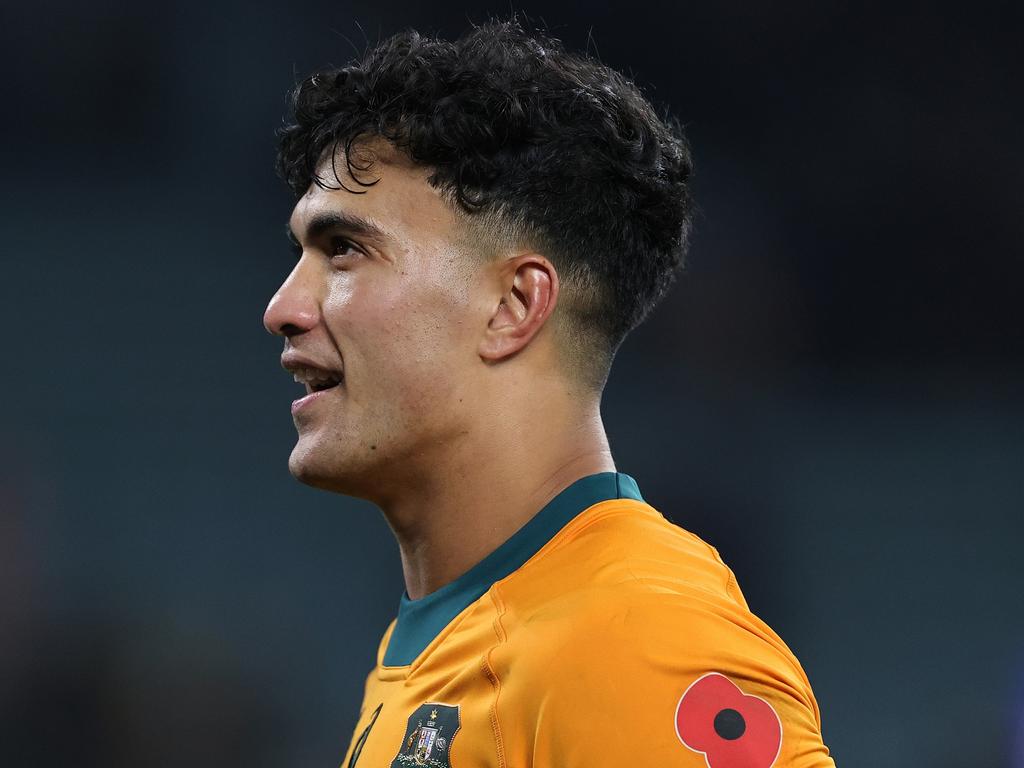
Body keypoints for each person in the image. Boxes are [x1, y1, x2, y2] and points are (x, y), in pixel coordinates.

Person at [263, 19, 835, 768]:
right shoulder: (459, 643)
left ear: (512, 306)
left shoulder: (634, 639)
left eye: (344, 250)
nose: (282, 307)